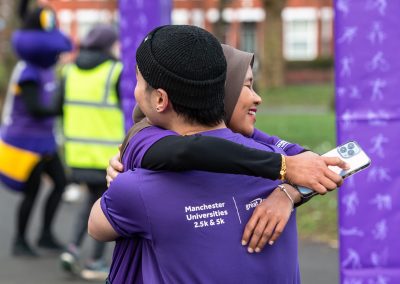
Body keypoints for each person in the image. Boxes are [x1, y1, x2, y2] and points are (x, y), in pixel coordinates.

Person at [88, 25, 342, 283]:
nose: (258, 98)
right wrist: (286, 182)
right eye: (247, 86)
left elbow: (96, 226)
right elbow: (321, 165)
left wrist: (287, 186)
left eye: (139, 81)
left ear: (160, 100)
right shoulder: (281, 169)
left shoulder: (137, 186)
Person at [0, 3, 72, 256]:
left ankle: (45, 234)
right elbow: (35, 109)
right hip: (25, 141)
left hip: (45, 140)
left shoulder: (47, 70)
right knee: (32, 191)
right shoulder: (28, 72)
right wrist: (64, 109)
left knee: (60, 183)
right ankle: (19, 241)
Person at [58, 24, 124, 280]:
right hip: (106, 155)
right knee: (104, 206)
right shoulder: (114, 71)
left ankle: (72, 250)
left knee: (90, 201)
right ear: (109, 45)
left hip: (77, 153)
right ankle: (95, 260)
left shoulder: (69, 70)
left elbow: (56, 106)